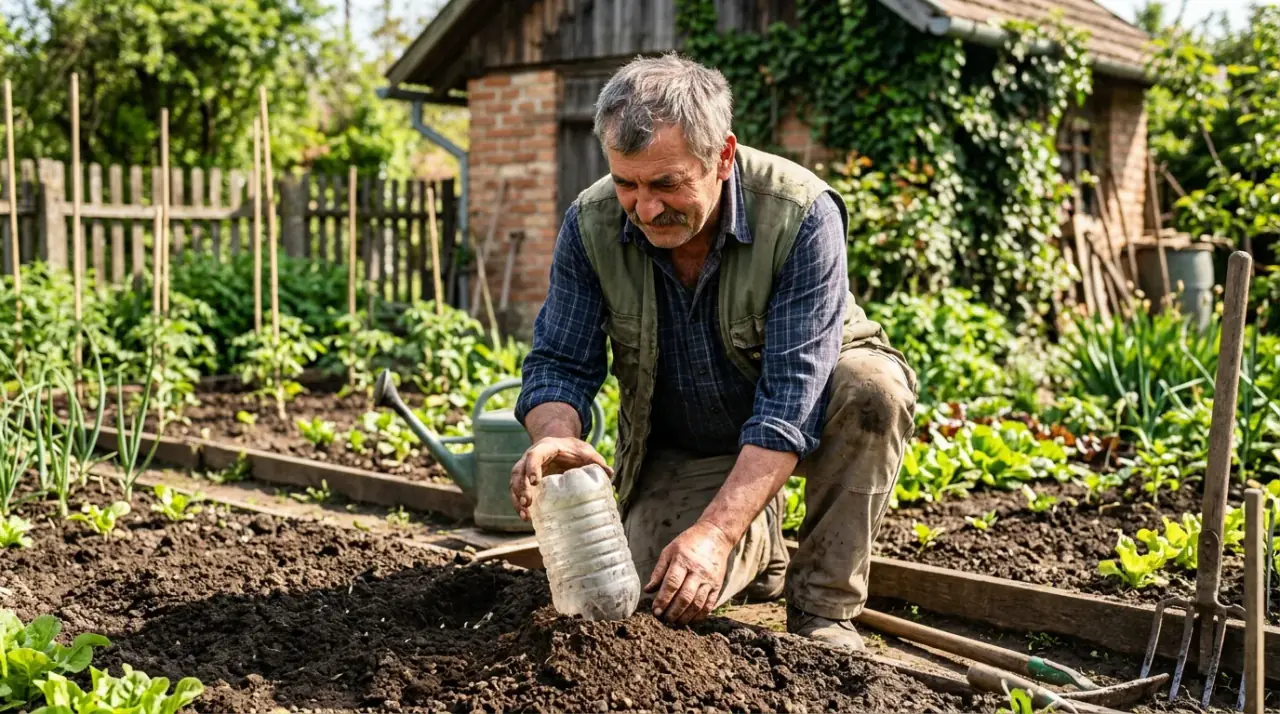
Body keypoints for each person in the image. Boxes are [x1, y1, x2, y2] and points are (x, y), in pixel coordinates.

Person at [509, 52, 917, 651]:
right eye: (628, 183)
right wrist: (553, 434)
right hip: (688, 438)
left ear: (722, 157)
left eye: (667, 184)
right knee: (646, 602)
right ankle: (761, 543)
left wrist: (717, 535)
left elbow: (791, 399)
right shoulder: (590, 223)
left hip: (808, 414)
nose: (645, 208)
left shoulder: (801, 214)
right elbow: (561, 362)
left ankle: (823, 607)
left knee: (872, 390)